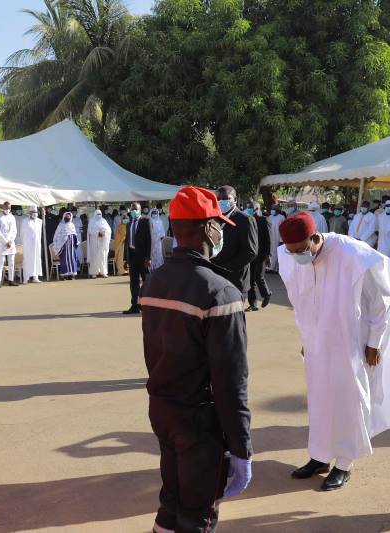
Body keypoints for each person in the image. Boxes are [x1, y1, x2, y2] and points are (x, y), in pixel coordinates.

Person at [140, 186, 253, 533]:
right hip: (200, 422)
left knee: (171, 500)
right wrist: (241, 448)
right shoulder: (220, 292)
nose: (220, 231)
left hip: (163, 410)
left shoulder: (155, 282)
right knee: (198, 514)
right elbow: (231, 380)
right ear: (207, 229)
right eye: (217, 224)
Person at [278, 213, 390, 491]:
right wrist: (308, 337)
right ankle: (320, 455)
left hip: (351, 341)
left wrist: (374, 342)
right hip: (318, 344)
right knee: (319, 398)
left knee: (349, 399)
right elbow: (303, 301)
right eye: (291, 252)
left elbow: (382, 300)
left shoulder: (354, 255)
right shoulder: (294, 255)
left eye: (301, 251)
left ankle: (344, 463)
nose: (296, 257)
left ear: (316, 238)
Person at [212, 186, 258, 300]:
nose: (221, 201)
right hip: (216, 278)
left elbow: (251, 251)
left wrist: (226, 268)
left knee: (234, 316)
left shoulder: (245, 220)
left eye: (226, 198)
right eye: (218, 199)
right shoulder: (215, 219)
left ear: (235, 200)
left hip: (235, 279)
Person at [123, 202, 152, 314]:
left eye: (136, 208)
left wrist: (148, 257)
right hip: (132, 256)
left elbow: (150, 240)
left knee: (147, 282)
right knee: (133, 283)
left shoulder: (146, 221)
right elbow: (127, 242)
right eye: (132, 209)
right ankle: (134, 305)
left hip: (143, 257)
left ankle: (148, 305)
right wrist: (126, 259)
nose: (134, 210)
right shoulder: (129, 223)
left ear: (140, 210)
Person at [248, 203, 272, 311]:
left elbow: (269, 239)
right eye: (248, 208)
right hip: (250, 253)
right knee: (250, 280)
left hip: (261, 254)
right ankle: (252, 304)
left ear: (258, 209)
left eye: (251, 208)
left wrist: (268, 255)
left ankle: (266, 294)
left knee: (258, 276)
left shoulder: (264, 220)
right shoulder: (248, 220)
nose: (249, 210)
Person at [0, 202, 18, 287]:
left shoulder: (12, 217)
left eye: (9, 208)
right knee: (1, 262)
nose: (8, 210)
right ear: (3, 207)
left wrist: (11, 241)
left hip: (11, 243)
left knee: (11, 262)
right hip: (2, 242)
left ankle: (11, 280)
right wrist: (5, 242)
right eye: (6, 208)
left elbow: (14, 230)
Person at [52, 210, 79, 279]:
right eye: (67, 216)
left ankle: (72, 274)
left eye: (69, 216)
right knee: (64, 260)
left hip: (71, 245)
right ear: (64, 217)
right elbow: (57, 235)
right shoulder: (61, 225)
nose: (68, 217)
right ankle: (64, 275)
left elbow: (74, 234)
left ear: (71, 217)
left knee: (72, 259)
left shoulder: (72, 225)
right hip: (64, 245)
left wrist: (76, 242)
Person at [21, 205, 44, 283]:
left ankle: (35, 277)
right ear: (29, 213)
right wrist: (25, 242)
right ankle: (26, 278)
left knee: (37, 259)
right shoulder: (25, 221)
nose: (35, 213)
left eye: (36, 212)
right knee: (27, 260)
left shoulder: (40, 221)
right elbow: (22, 233)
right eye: (33, 212)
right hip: (28, 244)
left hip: (37, 244)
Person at [87, 209, 112, 278]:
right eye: (97, 214)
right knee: (94, 256)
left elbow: (109, 230)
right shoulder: (91, 221)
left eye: (100, 214)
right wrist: (98, 233)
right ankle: (94, 272)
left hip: (102, 242)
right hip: (94, 242)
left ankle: (103, 272)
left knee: (103, 257)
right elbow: (90, 231)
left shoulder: (103, 221)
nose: (99, 216)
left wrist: (104, 233)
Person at [267, 205, 285, 272]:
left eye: (274, 209)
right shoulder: (270, 217)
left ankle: (275, 268)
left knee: (277, 253)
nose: (272, 210)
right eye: (272, 209)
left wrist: (281, 239)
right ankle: (270, 267)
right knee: (271, 252)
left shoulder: (281, 217)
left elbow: (283, 229)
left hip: (278, 238)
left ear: (277, 210)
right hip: (270, 237)